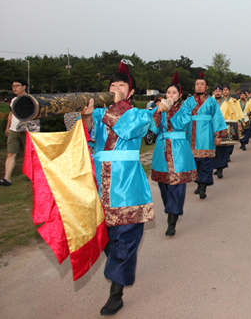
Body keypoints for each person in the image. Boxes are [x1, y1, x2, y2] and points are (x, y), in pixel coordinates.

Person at [81, 59, 155, 315]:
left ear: (131, 92)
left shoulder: (140, 114)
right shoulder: (98, 112)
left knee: (125, 239)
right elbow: (86, 137)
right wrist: (88, 118)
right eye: (111, 83)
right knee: (104, 239)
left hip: (127, 186)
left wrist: (108, 109)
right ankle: (119, 271)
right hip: (99, 184)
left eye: (121, 84)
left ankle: (116, 293)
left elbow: (126, 128)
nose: (115, 87)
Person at [150, 72, 197, 237]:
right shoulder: (159, 109)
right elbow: (153, 129)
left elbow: (180, 124)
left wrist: (169, 112)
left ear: (179, 95)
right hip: (161, 148)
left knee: (176, 185)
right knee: (164, 185)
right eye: (168, 93)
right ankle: (171, 208)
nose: (170, 95)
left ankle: (172, 220)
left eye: (174, 93)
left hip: (178, 149)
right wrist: (158, 112)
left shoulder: (184, 109)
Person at [182, 72, 228, 199]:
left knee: (207, 162)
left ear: (206, 87)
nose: (199, 86)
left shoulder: (212, 102)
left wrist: (218, 135)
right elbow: (182, 118)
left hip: (207, 136)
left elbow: (217, 118)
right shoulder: (188, 102)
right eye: (197, 84)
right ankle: (198, 183)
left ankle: (203, 187)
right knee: (194, 163)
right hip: (191, 135)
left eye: (202, 84)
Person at [0, 78, 40, 186]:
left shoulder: (31, 99)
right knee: (11, 154)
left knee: (30, 154)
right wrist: (8, 127)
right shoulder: (14, 100)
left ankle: (32, 175)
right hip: (13, 130)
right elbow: (11, 113)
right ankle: (7, 178)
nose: (14, 88)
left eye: (17, 86)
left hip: (27, 130)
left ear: (24, 87)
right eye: (13, 86)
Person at [213, 83, 244, 179]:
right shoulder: (210, 102)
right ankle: (216, 166)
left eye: (220, 91)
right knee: (213, 148)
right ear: (214, 92)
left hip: (224, 126)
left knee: (222, 148)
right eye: (216, 91)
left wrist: (238, 121)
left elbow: (234, 113)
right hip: (211, 127)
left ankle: (220, 169)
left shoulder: (228, 103)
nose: (218, 93)